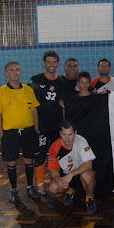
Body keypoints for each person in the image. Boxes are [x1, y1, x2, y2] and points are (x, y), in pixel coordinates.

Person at [0, 61, 40, 203]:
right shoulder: (1, 92)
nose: (15, 72)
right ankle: (14, 189)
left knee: (29, 159)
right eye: (12, 70)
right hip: (10, 133)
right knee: (11, 161)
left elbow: (34, 110)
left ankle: (30, 186)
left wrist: (36, 129)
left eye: (18, 70)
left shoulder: (28, 90)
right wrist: (2, 134)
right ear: (6, 73)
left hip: (28, 131)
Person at [27, 50, 64, 195]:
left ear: (58, 64)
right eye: (49, 62)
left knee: (57, 155)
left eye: (54, 62)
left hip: (56, 126)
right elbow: (27, 101)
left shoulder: (61, 82)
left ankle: (57, 181)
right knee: (40, 155)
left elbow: (66, 102)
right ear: (44, 63)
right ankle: (41, 184)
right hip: (41, 126)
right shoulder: (35, 80)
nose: (52, 64)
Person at [47, 121, 97, 214]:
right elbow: (53, 170)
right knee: (53, 188)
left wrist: (71, 174)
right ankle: (70, 190)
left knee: (88, 175)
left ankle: (90, 198)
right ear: (60, 133)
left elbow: (89, 164)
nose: (67, 138)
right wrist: (59, 181)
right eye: (64, 134)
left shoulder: (81, 141)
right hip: (66, 176)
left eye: (70, 134)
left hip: (80, 173)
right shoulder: (55, 146)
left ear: (75, 133)